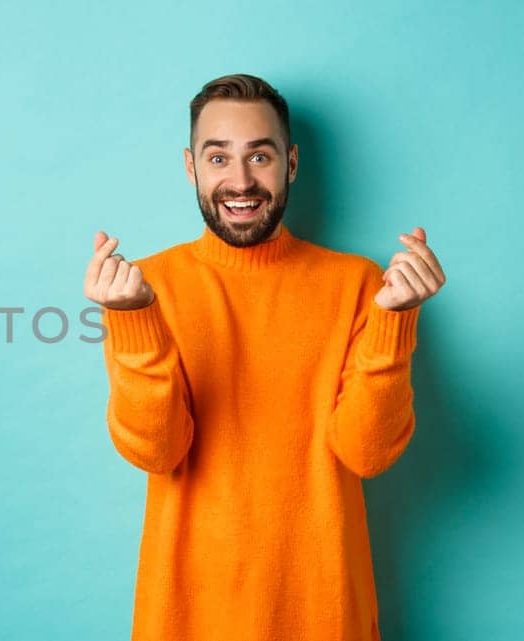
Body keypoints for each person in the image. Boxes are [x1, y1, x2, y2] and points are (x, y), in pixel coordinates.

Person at [83, 73, 447, 640]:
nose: (241, 180)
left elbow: (366, 453)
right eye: (218, 157)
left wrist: (394, 320)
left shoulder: (359, 285)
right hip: (189, 617)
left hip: (324, 614)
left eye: (260, 155)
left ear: (291, 163)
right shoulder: (147, 286)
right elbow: (157, 450)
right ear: (191, 167)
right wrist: (134, 320)